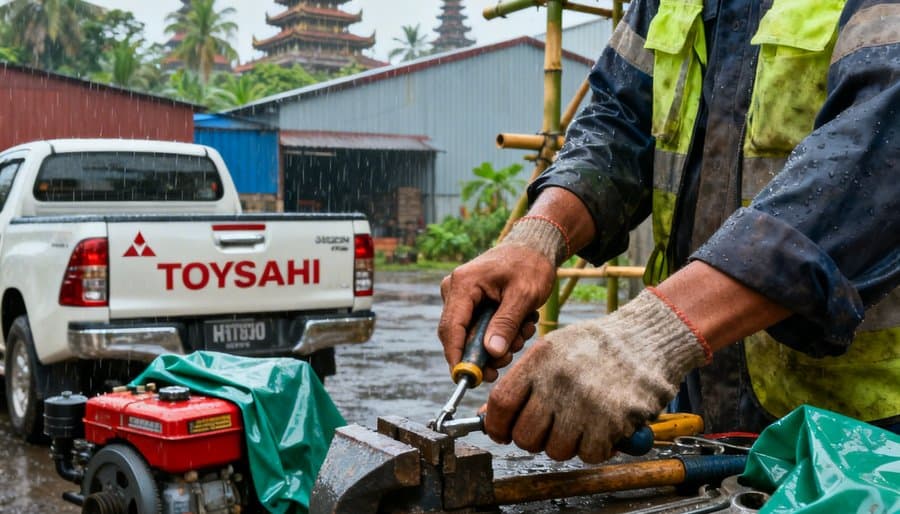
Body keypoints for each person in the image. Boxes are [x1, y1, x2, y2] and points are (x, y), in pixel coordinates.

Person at [438, 0, 900, 464]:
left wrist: (650, 336)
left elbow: (877, 157)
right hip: (701, 421)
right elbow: (619, 124)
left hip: (869, 442)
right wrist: (538, 236)